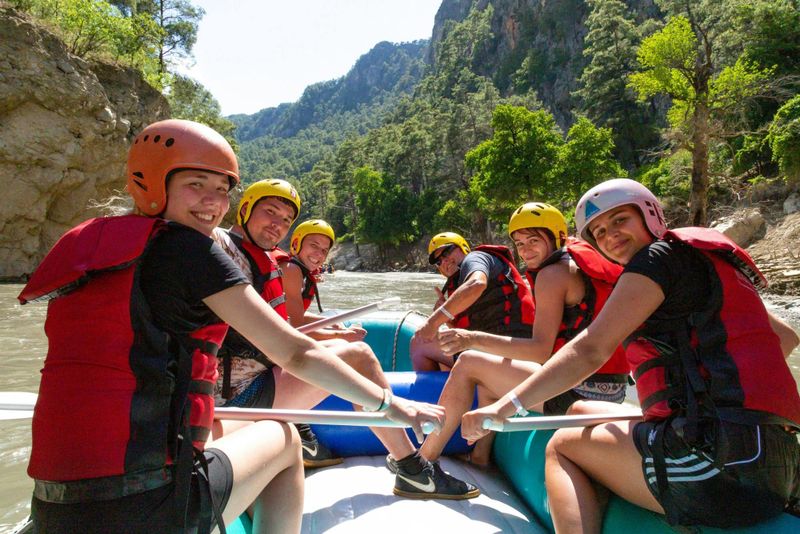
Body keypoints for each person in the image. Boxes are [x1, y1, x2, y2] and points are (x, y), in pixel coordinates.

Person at [18, 119, 448, 534]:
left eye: (221, 189)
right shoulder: (196, 250)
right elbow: (294, 352)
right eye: (196, 185)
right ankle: (408, 466)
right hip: (150, 504)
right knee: (285, 441)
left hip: (54, 502)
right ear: (152, 183)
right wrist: (392, 406)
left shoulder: (92, 241)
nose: (212, 201)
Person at [460, 178, 800, 532]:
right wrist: (695, 400)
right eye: (600, 231)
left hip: (718, 469)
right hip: (778, 460)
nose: (611, 236)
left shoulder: (656, 260)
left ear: (650, 215)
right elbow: (785, 338)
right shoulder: (702, 261)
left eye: (620, 220)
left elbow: (590, 350)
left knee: (561, 446)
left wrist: (503, 406)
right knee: (580, 409)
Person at [213, 180, 478, 500]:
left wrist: (335, 336)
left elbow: (278, 330)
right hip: (237, 395)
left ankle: (410, 465)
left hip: (258, 374)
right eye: (270, 212)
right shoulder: (221, 247)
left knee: (359, 352)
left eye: (285, 219)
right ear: (244, 209)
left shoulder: (260, 256)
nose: (278, 224)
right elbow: (286, 338)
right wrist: (390, 403)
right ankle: (412, 467)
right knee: (357, 356)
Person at [417, 203, 631, 467]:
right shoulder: (577, 263)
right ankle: (480, 457)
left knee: (469, 362)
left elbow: (540, 350)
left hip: (579, 391)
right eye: (519, 244)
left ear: (556, 237)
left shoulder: (553, 274)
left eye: (533, 240)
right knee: (487, 367)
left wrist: (471, 339)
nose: (526, 250)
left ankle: (422, 462)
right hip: (611, 390)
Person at [411, 232, 535, 371]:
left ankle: (428, 393)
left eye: (447, 252)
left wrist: (433, 321)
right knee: (444, 361)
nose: (444, 261)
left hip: (512, 347)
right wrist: (449, 319)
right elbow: (465, 332)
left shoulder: (476, 258)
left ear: (463, 247)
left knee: (419, 343)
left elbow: (477, 284)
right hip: (495, 348)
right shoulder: (459, 290)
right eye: (438, 261)